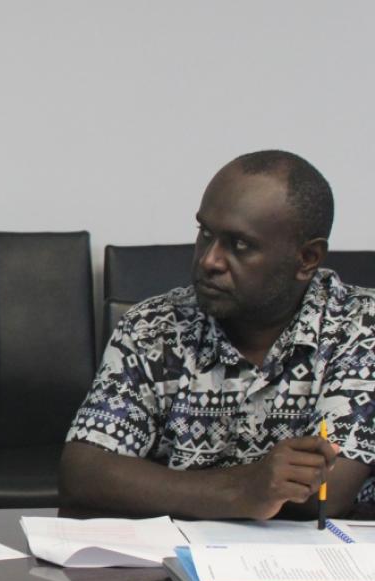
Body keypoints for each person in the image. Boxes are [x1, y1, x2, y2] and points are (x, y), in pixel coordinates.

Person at [61, 150, 375, 520]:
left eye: (240, 245)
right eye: (205, 234)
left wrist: (167, 488)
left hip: (316, 568)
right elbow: (83, 473)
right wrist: (244, 489)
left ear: (307, 258)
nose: (209, 260)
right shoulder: (153, 326)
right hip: (168, 562)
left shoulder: (361, 329)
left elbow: (326, 494)